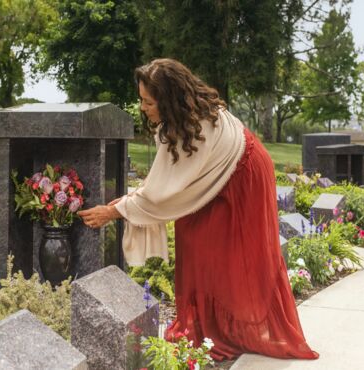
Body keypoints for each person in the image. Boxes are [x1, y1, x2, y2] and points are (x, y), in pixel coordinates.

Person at [78, 58, 318, 362]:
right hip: (227, 172)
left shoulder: (196, 127)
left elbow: (166, 195)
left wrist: (116, 211)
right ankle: (208, 327)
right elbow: (162, 182)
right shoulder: (181, 121)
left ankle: (221, 330)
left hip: (243, 178)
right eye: (141, 100)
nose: (143, 107)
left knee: (218, 249)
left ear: (169, 100)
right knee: (193, 235)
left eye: (148, 101)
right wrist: (130, 201)